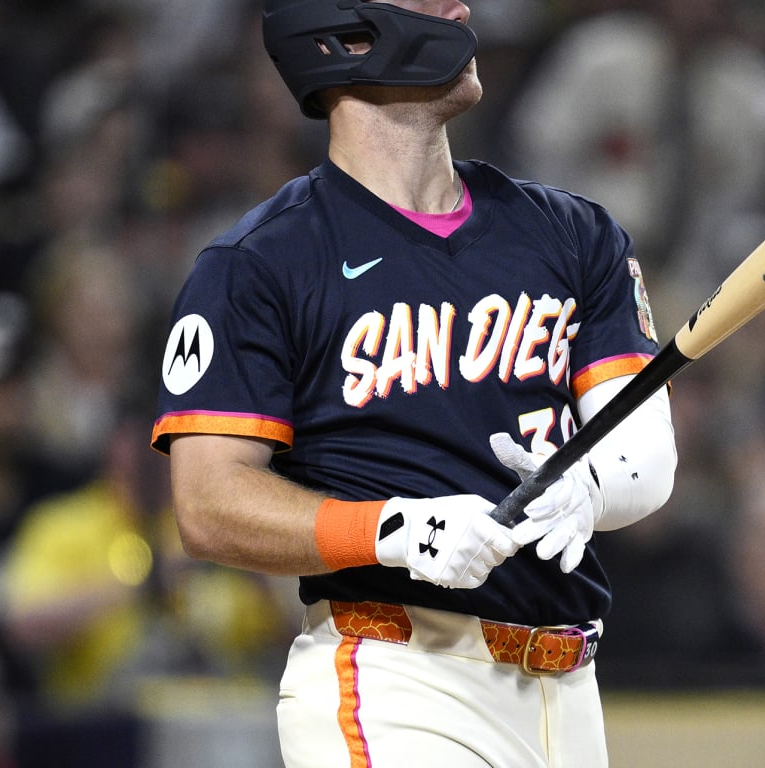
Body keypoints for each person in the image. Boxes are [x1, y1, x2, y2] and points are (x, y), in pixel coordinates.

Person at [149, 2, 677, 766]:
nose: (458, 7)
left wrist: (590, 487)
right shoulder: (260, 262)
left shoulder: (573, 232)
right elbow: (207, 504)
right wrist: (394, 530)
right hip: (396, 675)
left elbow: (647, 459)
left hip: (570, 692)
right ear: (343, 32)